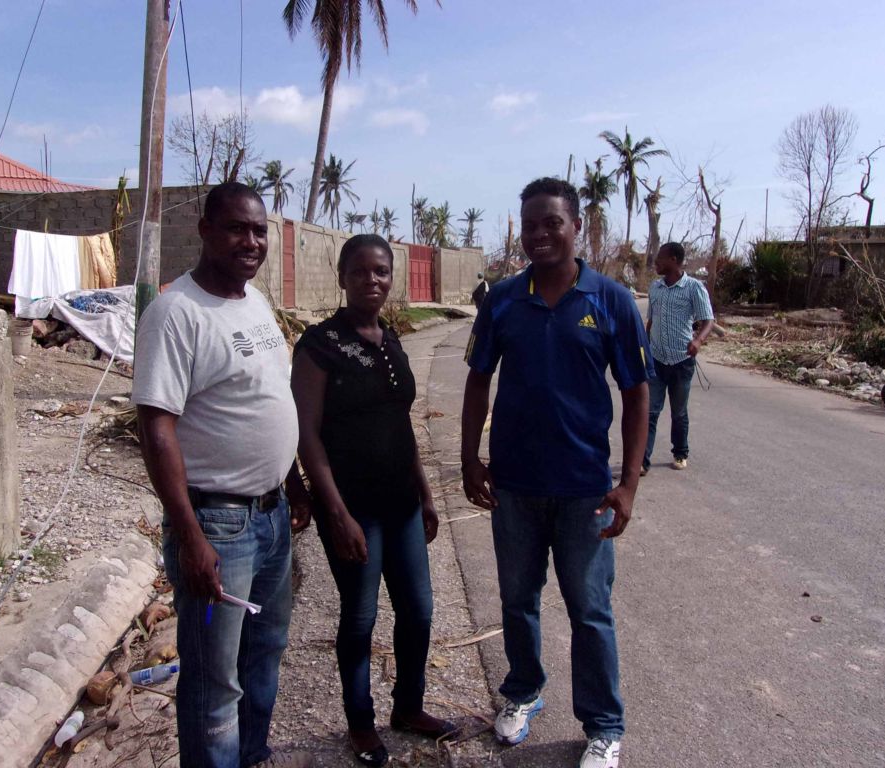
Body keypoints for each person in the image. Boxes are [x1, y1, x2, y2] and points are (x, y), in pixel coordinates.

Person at [460, 177, 652, 768]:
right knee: (518, 600)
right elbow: (477, 381)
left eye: (552, 223)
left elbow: (637, 393)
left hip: (584, 491)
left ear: (576, 227)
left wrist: (628, 484)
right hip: (515, 487)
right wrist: (470, 459)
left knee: (590, 610)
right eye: (530, 225)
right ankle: (523, 692)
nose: (540, 234)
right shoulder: (502, 300)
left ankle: (604, 726)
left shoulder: (611, 300)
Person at [132, 182, 314, 768]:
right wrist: (190, 537)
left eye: (259, 230)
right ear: (205, 230)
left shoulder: (254, 301)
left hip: (271, 518)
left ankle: (251, 754)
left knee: (265, 653)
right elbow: (156, 429)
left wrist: (292, 484)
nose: (251, 241)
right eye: (237, 228)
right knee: (215, 685)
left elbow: (267, 398)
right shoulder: (175, 314)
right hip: (218, 527)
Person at [291, 234, 456, 767]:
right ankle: (360, 724)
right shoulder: (319, 345)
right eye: (360, 271)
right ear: (342, 277)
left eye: (381, 271)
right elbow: (306, 435)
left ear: (391, 277)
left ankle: (408, 707)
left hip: (401, 504)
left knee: (419, 610)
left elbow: (400, 425)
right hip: (353, 508)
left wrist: (425, 494)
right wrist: (335, 512)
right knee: (361, 617)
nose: (372, 280)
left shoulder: (392, 340)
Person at [642, 241, 714, 474]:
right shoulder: (655, 288)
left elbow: (708, 320)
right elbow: (651, 321)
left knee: (679, 412)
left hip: (681, 361)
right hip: (656, 359)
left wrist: (698, 341)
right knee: (650, 411)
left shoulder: (693, 287)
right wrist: (644, 346)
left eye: (660, 258)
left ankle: (680, 453)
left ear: (673, 260)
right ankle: (643, 460)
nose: (656, 262)